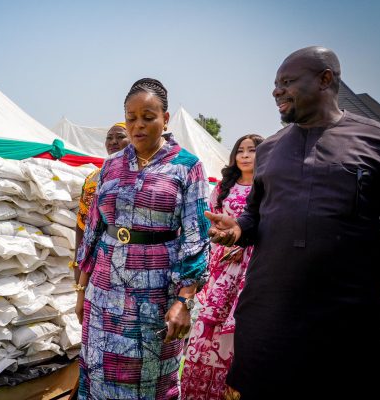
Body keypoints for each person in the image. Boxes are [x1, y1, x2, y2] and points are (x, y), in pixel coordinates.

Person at [205, 46, 380, 399]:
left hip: (347, 325)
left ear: (325, 79)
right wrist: (239, 229)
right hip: (267, 321)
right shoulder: (270, 150)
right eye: (275, 84)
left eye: (287, 81)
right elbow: (255, 215)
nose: (276, 91)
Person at [74, 78, 210, 399]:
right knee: (98, 373)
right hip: (104, 291)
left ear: (165, 119)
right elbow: (93, 229)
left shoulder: (187, 167)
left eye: (148, 117)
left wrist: (184, 301)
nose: (138, 126)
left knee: (147, 381)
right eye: (131, 117)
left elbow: (196, 238)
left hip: (154, 294)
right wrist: (81, 289)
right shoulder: (110, 166)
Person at [180, 133, 263, 400]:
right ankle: (202, 388)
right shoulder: (225, 187)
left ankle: (233, 385)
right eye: (241, 150)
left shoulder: (266, 187)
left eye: (252, 150)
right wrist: (222, 243)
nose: (246, 155)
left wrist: (243, 243)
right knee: (209, 322)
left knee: (241, 324)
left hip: (251, 265)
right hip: (221, 264)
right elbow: (211, 221)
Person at [73, 122, 130, 321]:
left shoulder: (141, 175)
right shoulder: (93, 178)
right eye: (109, 137)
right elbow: (82, 225)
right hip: (95, 258)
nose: (113, 141)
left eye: (120, 136)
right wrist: (78, 265)